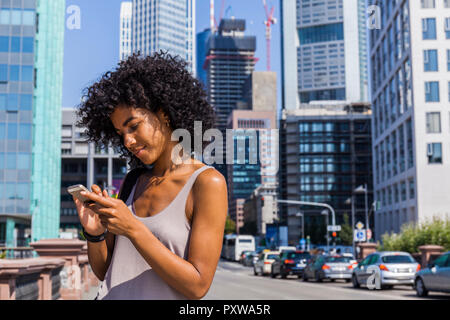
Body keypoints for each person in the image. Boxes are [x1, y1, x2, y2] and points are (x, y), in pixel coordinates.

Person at [73, 52, 228, 300]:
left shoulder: (206, 183)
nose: (128, 141)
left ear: (164, 113)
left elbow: (198, 285)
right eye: (120, 132)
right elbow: (106, 272)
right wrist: (94, 234)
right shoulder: (133, 181)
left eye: (133, 126)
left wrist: (133, 228)